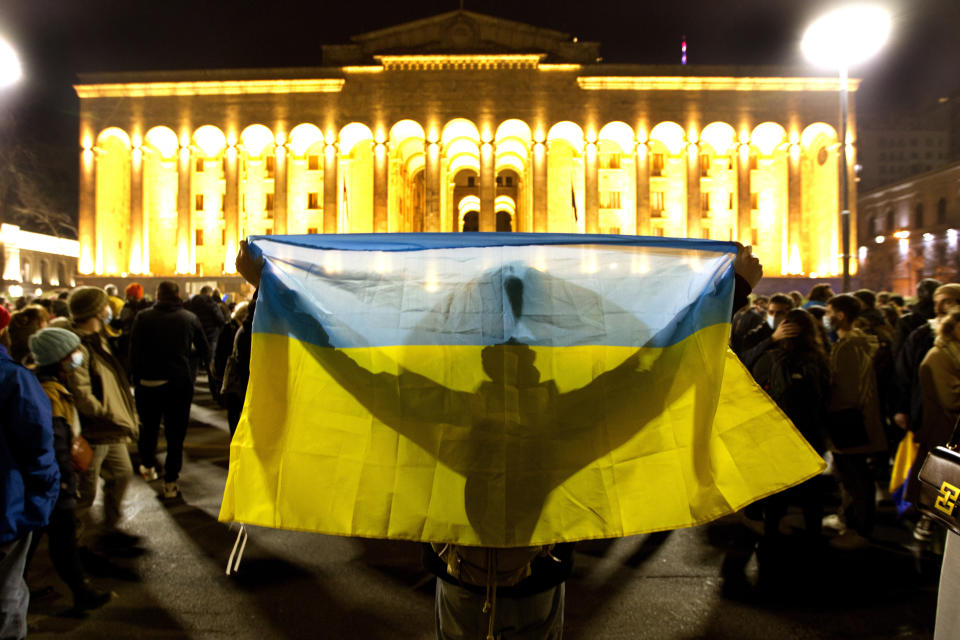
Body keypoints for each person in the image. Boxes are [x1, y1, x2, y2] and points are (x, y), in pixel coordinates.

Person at [235, 239, 764, 639]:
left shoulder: (451, 416)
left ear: (481, 366)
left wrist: (273, 291)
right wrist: (732, 293)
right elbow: (657, 372)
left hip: (460, 574)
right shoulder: (565, 419)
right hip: (540, 573)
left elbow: (351, 369)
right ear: (538, 365)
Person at [27, 328, 112, 612]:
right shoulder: (50, 393)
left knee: (34, 538)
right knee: (61, 540)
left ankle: (24, 585)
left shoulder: (48, 385)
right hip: (54, 481)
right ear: (60, 359)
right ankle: (81, 591)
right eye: (72, 353)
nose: (78, 357)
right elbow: (56, 442)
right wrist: (65, 483)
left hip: (48, 481)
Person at [65, 286, 142, 553]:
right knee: (85, 492)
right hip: (96, 430)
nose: (109, 310)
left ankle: (110, 526)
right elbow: (81, 392)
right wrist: (106, 413)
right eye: (105, 306)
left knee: (121, 474)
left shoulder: (99, 339)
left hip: (112, 428)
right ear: (97, 310)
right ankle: (72, 543)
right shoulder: (78, 347)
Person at [0, 307, 60, 638]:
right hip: (6, 507)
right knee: (7, 595)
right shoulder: (14, 378)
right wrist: (41, 502)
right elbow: (38, 446)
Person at [751, 308, 830, 538]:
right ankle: (813, 535)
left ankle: (771, 534)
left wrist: (770, 341)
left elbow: (746, 364)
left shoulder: (773, 358)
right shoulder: (820, 357)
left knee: (777, 487)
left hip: (779, 430)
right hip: (811, 431)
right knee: (811, 489)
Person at [130, 281, 209, 499]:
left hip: (148, 382)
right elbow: (204, 350)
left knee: (149, 427)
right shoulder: (188, 318)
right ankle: (171, 480)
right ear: (178, 294)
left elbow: (134, 350)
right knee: (175, 434)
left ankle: (147, 465)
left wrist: (136, 378)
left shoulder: (142, 317)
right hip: (178, 383)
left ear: (157, 294)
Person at [823, 294, 887, 549]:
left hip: (848, 421)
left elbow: (845, 390)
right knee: (849, 473)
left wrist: (828, 410)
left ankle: (859, 529)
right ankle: (848, 519)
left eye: (829, 312)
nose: (826, 317)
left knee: (855, 476)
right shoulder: (857, 342)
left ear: (840, 315)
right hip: (854, 419)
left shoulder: (849, 346)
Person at [736, 293, 799, 371]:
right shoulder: (756, 334)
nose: (774, 316)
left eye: (780, 313)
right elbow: (745, 360)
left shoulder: (796, 334)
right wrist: (772, 339)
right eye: (771, 312)